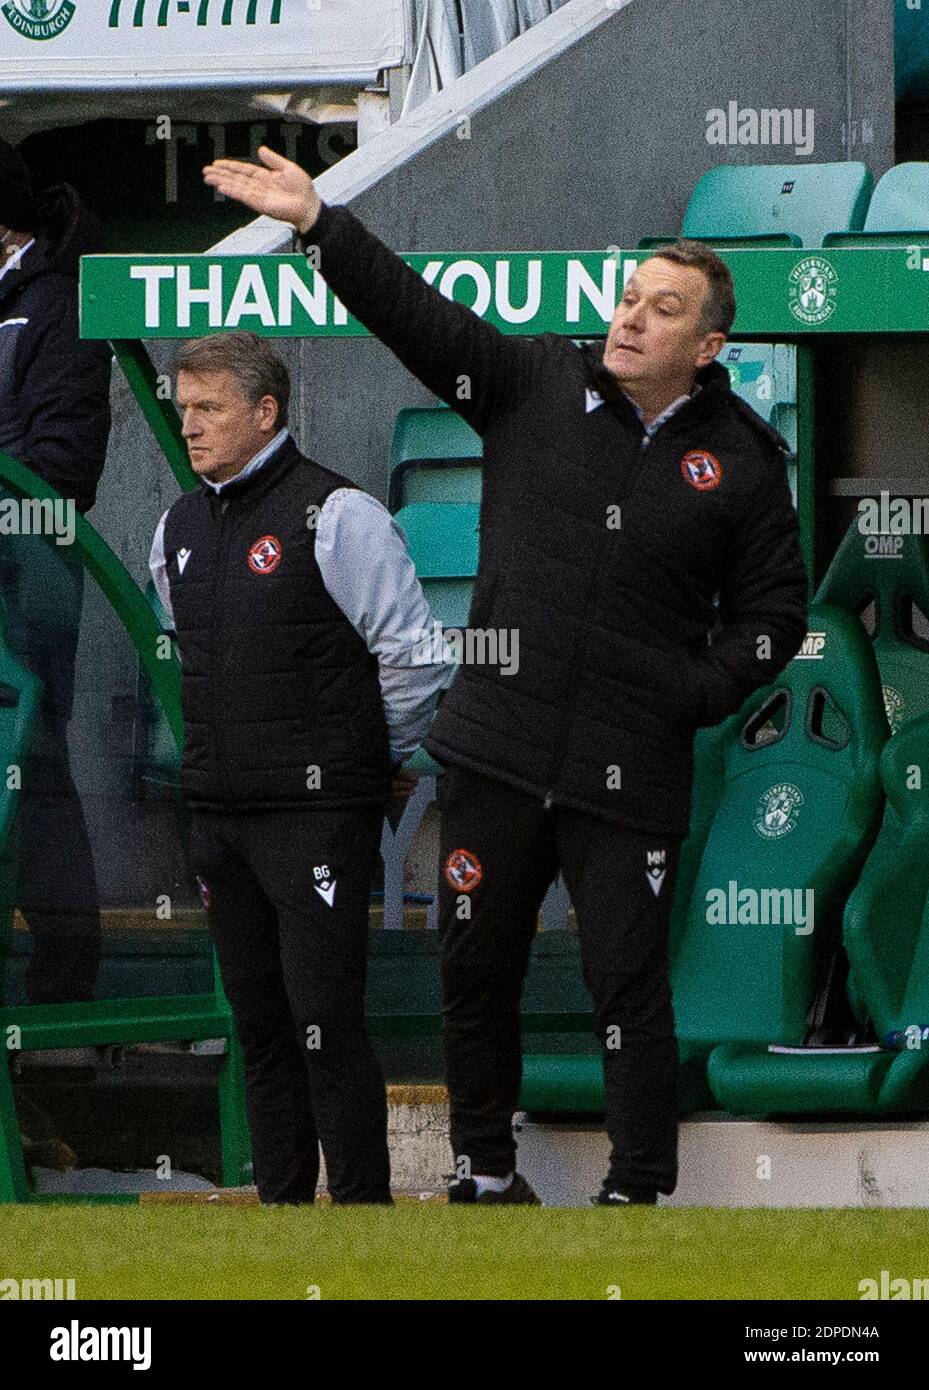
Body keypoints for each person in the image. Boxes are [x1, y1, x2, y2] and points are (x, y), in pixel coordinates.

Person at [202, 147, 809, 1207]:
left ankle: (636, 1188)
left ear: (709, 344)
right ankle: (482, 1168)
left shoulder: (746, 464)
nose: (628, 319)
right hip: (496, 748)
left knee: (624, 983)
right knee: (473, 967)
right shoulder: (531, 381)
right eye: (627, 297)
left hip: (627, 770)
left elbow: (772, 621)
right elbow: (414, 316)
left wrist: (689, 692)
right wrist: (320, 224)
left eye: (660, 309)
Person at [149, 331, 448, 1205]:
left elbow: (415, 657)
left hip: (315, 817)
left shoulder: (339, 515)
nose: (191, 427)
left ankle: (360, 1213)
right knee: (260, 1026)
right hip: (219, 817)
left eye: (208, 409)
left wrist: (371, 761)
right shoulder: (175, 526)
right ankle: (279, 1211)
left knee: (324, 1019)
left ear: (265, 411)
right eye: (182, 410)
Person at [0, 139, 111, 1011]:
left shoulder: (56, 308)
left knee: (31, 767)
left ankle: (66, 992)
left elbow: (62, 473)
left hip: (23, 581)